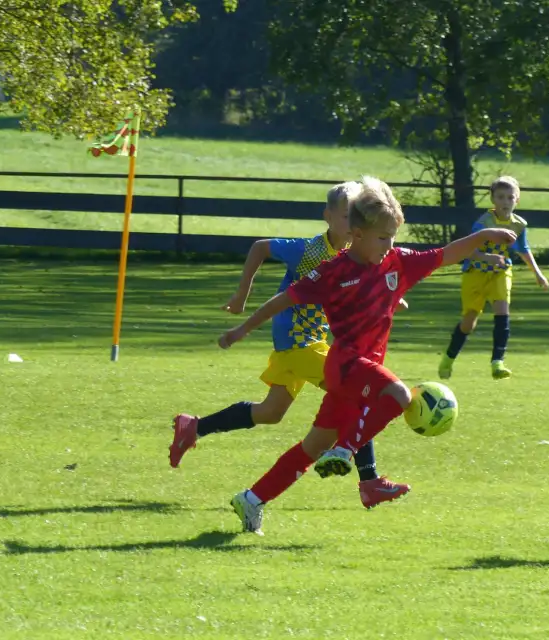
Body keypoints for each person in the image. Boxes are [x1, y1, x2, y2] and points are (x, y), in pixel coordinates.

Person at [218, 176, 517, 535]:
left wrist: (485, 237)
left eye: (393, 236)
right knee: (399, 395)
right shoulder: (332, 271)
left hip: (360, 370)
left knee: (312, 447)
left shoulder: (397, 262)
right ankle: (349, 454)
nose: (389, 244)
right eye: (382, 237)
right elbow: (283, 300)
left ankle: (251, 499)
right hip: (345, 364)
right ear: (357, 234)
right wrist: (242, 330)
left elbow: (447, 253)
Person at [170, 182, 410, 510]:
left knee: (270, 413)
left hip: (308, 344)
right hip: (300, 344)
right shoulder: (310, 251)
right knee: (357, 391)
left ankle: (194, 427)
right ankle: (369, 481)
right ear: (328, 217)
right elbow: (260, 247)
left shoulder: (353, 256)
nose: (355, 224)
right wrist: (242, 297)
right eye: (346, 216)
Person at [438, 176, 549, 380]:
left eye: (510, 197)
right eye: (500, 197)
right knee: (469, 322)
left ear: (517, 200)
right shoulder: (483, 224)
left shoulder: (519, 224)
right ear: (493, 199)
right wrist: (486, 257)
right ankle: (448, 358)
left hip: (500, 272)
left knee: (502, 310)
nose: (505, 202)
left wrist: (538, 274)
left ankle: (497, 362)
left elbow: (524, 250)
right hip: (475, 274)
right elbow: (467, 250)